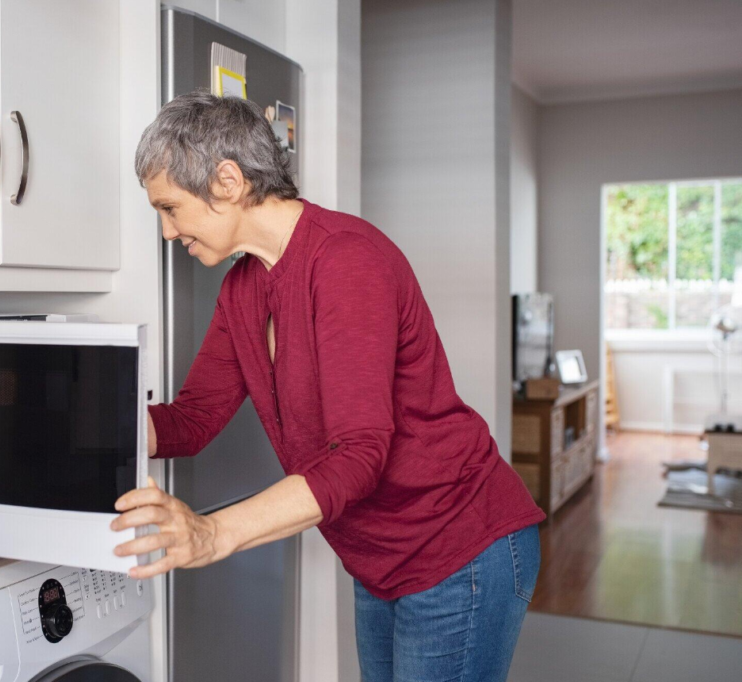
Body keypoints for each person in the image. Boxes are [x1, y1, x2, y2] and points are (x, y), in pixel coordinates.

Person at [110, 90, 546, 682]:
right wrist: (89, 425)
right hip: (380, 556)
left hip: (459, 546)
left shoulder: (346, 262)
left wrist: (213, 533)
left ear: (229, 181)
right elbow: (192, 420)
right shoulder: (244, 286)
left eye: (170, 208)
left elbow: (360, 456)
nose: (166, 231)